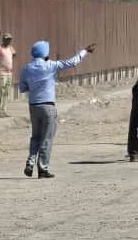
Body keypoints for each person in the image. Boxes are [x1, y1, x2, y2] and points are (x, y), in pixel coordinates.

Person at [19, 40, 96, 178]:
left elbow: (23, 88)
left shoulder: (26, 68)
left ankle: (30, 162)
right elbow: (72, 62)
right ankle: (43, 169)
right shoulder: (51, 65)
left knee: (35, 137)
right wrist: (85, 51)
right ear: (45, 53)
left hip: (33, 106)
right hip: (48, 106)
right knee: (46, 138)